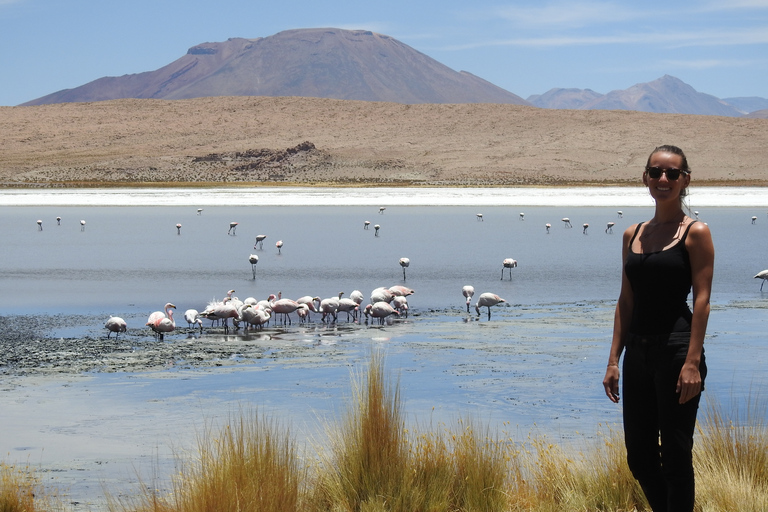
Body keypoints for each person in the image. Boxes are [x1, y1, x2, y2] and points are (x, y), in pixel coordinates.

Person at [602, 145, 714, 512]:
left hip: (678, 351)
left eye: (672, 174)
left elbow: (702, 301)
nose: (662, 180)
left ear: (685, 181)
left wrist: (693, 362)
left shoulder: (695, 232)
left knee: (677, 457)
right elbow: (625, 301)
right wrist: (613, 360)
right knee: (640, 457)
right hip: (637, 353)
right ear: (645, 178)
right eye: (655, 172)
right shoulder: (632, 233)